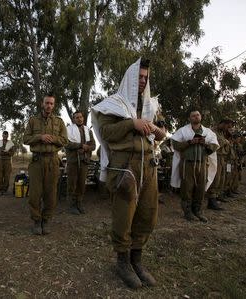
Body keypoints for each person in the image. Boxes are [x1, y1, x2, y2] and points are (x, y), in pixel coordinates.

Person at [92, 58, 166, 289]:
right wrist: (131, 123)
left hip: (149, 165)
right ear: (130, 79)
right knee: (124, 215)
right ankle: (122, 262)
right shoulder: (113, 104)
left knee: (147, 214)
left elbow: (163, 133)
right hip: (125, 166)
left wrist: (154, 128)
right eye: (139, 77)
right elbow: (106, 132)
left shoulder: (152, 106)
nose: (143, 81)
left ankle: (136, 260)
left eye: (146, 77)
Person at [23, 93, 68, 235]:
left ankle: (46, 220)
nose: (49, 106)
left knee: (51, 193)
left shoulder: (59, 122)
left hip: (53, 161)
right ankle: (36, 221)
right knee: (35, 194)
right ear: (42, 104)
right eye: (47, 103)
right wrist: (40, 137)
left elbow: (65, 140)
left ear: (54, 106)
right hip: (37, 160)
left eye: (51, 104)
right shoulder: (33, 120)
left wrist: (53, 139)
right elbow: (25, 139)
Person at [170, 111, 219, 223]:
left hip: (202, 164)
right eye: (193, 115)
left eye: (197, 115)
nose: (196, 117)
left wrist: (204, 143)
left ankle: (197, 211)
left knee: (200, 187)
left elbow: (215, 146)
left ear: (200, 117)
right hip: (187, 164)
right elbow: (175, 144)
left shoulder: (208, 132)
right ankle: (188, 212)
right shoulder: (183, 130)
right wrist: (189, 142)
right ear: (190, 118)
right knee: (187, 187)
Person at [65, 110, 96, 215]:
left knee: (82, 184)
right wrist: (80, 145)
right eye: (77, 117)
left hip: (84, 161)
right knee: (72, 184)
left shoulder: (88, 130)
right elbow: (66, 144)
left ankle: (79, 203)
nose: (79, 119)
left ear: (83, 118)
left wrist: (87, 148)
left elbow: (93, 146)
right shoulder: (68, 130)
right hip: (73, 161)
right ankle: (71, 205)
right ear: (73, 119)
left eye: (81, 117)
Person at [206, 119, 233, 210]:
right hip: (215, 156)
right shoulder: (213, 132)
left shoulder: (222, 133)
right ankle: (211, 199)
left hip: (222, 157)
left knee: (221, 178)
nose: (228, 128)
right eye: (227, 126)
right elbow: (214, 144)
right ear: (222, 123)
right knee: (215, 178)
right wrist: (225, 142)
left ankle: (216, 196)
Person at [0, 131, 15, 195]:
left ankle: (5, 189)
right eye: (4, 135)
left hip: (7, 161)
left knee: (7, 176)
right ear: (2, 135)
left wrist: (7, 152)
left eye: (6, 135)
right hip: (0, 160)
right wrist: (1, 153)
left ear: (7, 136)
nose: (5, 136)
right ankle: (0, 190)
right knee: (0, 176)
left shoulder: (11, 143)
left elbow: (12, 153)